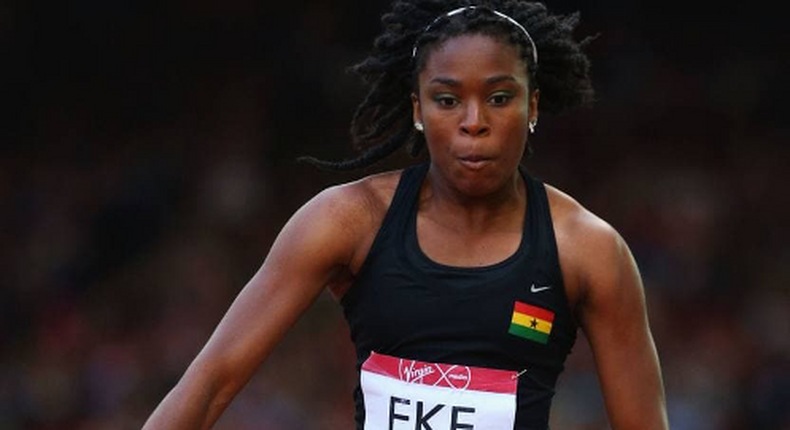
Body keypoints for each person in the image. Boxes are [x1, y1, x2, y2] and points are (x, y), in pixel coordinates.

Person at [143, 1, 669, 429]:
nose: (473, 123)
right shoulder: (347, 221)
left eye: (500, 97)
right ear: (417, 109)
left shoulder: (587, 249)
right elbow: (209, 385)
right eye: (446, 100)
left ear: (533, 107)